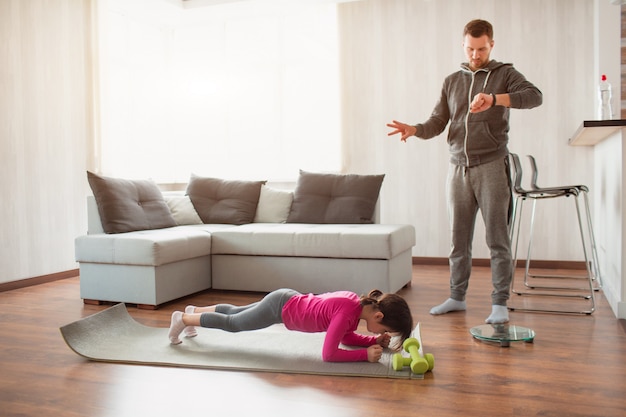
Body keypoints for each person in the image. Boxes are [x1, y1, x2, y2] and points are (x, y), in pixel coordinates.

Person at [386, 19, 542, 324]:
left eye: (481, 49)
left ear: (491, 45)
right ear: (463, 45)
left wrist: (495, 99)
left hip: (492, 166)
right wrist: (414, 129)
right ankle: (456, 297)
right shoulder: (451, 81)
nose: (475, 55)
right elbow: (437, 122)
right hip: (457, 169)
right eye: (470, 49)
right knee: (459, 241)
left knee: (497, 239)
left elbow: (535, 96)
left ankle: (499, 303)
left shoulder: (504, 74)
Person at [168, 288, 414, 363]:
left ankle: (194, 312)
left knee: (235, 312)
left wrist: (372, 341)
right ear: (379, 317)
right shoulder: (346, 313)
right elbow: (329, 354)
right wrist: (364, 356)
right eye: (383, 331)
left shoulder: (354, 304)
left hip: (285, 299)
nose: (380, 334)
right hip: (280, 309)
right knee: (234, 323)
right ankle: (183, 318)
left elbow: (345, 338)